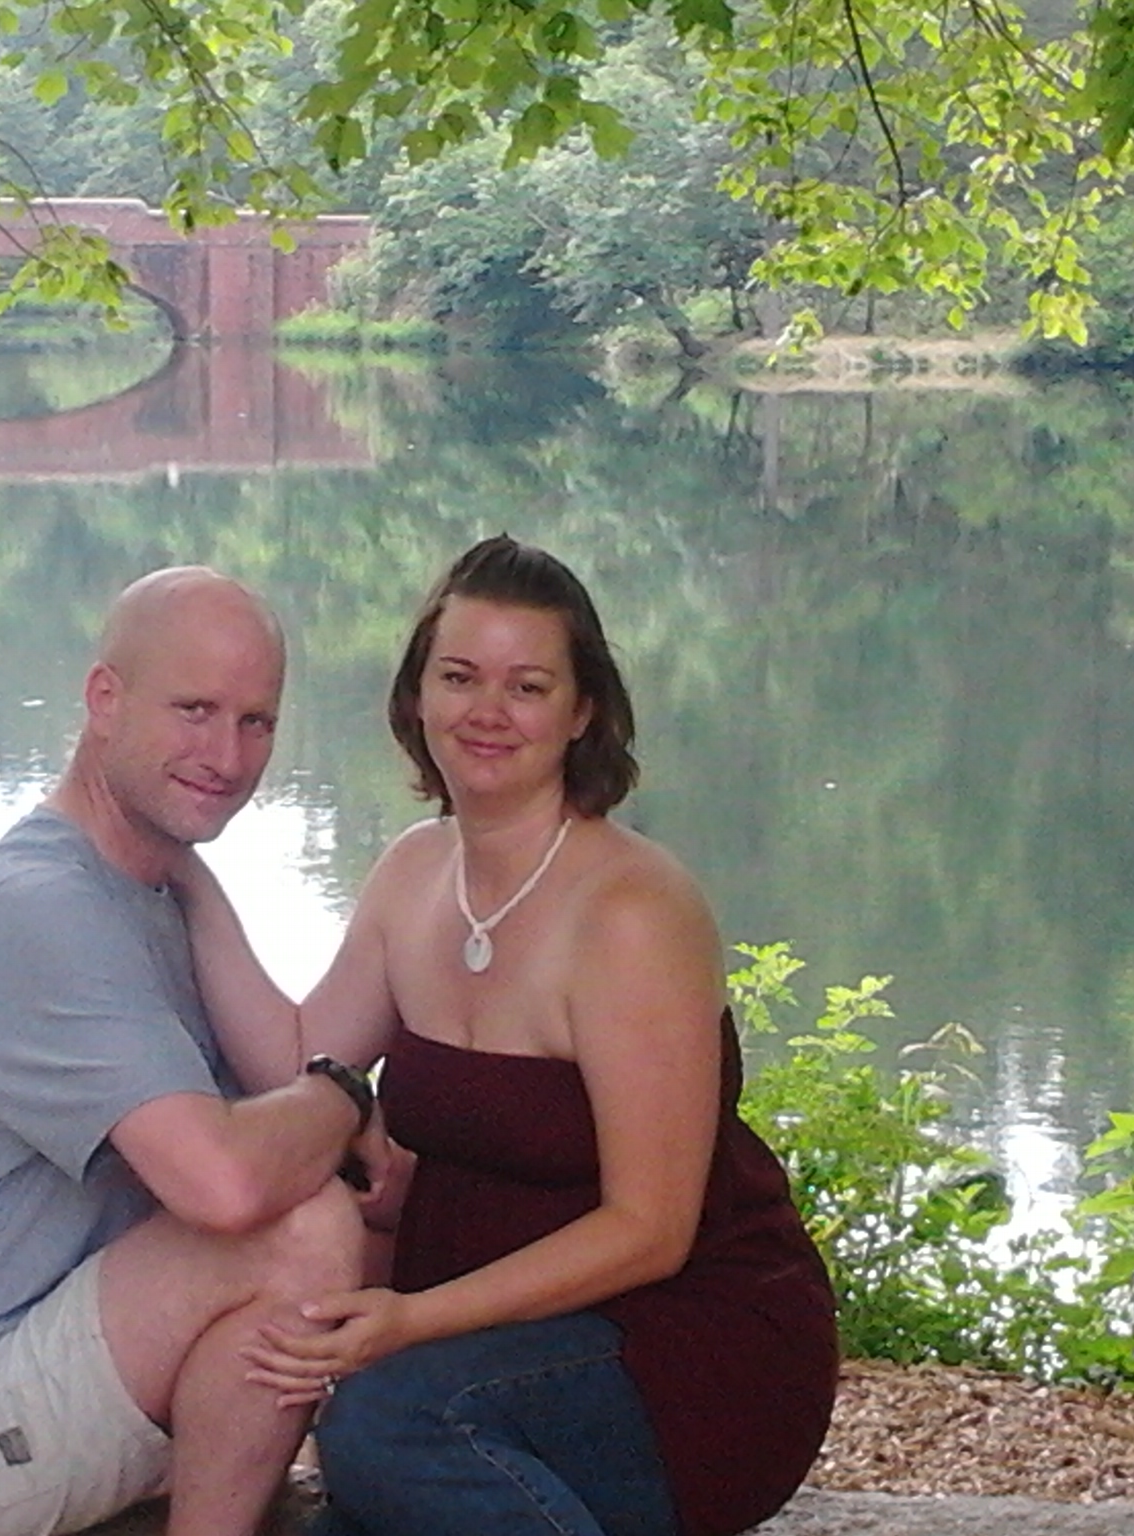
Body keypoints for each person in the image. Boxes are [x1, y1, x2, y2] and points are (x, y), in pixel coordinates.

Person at [176, 536, 840, 1536]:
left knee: (386, 1421)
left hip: (677, 1347)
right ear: (417, 697)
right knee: (359, 1487)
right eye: (458, 677)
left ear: (580, 713)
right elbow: (303, 1051)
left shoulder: (629, 910)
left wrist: (405, 1321)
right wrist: (180, 873)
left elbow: (650, 1229)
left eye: (526, 686)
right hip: (486, 1348)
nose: (485, 713)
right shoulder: (411, 873)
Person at [0, 566, 386, 1536]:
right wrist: (343, 1101)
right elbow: (222, 1184)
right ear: (102, 699)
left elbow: (288, 1090)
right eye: (194, 710)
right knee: (302, 1230)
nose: (226, 754)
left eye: (256, 721)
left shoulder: (154, 882)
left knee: (365, 1215)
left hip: (77, 1357)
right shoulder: (38, 911)